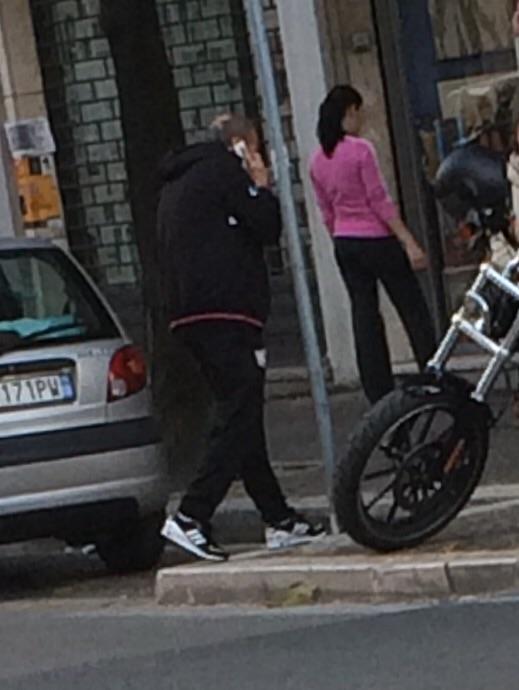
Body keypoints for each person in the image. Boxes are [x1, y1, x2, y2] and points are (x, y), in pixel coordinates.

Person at [158, 114, 325, 562]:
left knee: (242, 414)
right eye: (256, 147)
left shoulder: (179, 180)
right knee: (238, 411)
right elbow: (267, 226)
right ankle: (192, 515)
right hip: (226, 308)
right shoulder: (225, 173)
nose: (259, 155)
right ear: (238, 145)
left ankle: (278, 518)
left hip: (190, 312)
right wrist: (261, 183)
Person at [310, 86, 436, 404]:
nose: (361, 119)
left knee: (364, 314)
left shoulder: (317, 160)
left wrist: (339, 235)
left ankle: (376, 387)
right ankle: (433, 368)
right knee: (411, 305)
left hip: (345, 241)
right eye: (359, 112)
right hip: (377, 238)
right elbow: (379, 200)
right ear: (349, 112)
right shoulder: (361, 150)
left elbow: (326, 211)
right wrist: (408, 241)